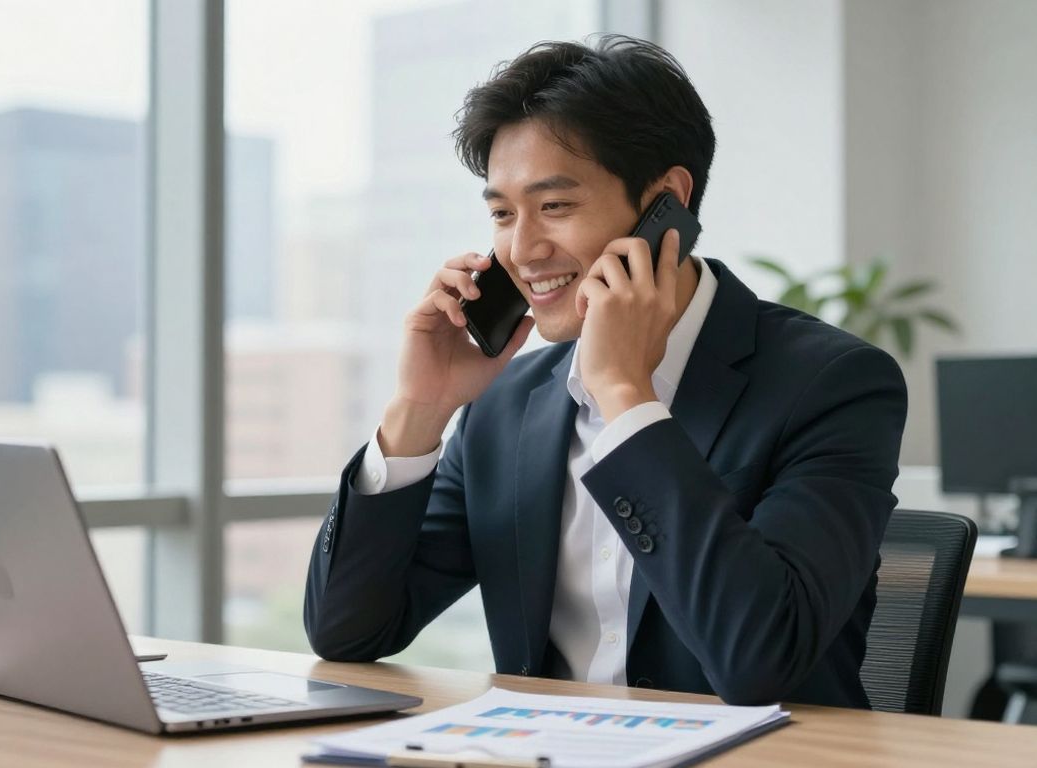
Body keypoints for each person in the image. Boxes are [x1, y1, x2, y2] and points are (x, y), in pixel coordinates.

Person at [302, 36, 907, 708]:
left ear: (666, 205)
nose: (522, 250)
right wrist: (419, 411)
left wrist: (626, 398)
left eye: (555, 207)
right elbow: (347, 632)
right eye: (503, 213)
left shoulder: (832, 384)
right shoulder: (507, 406)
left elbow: (760, 658)